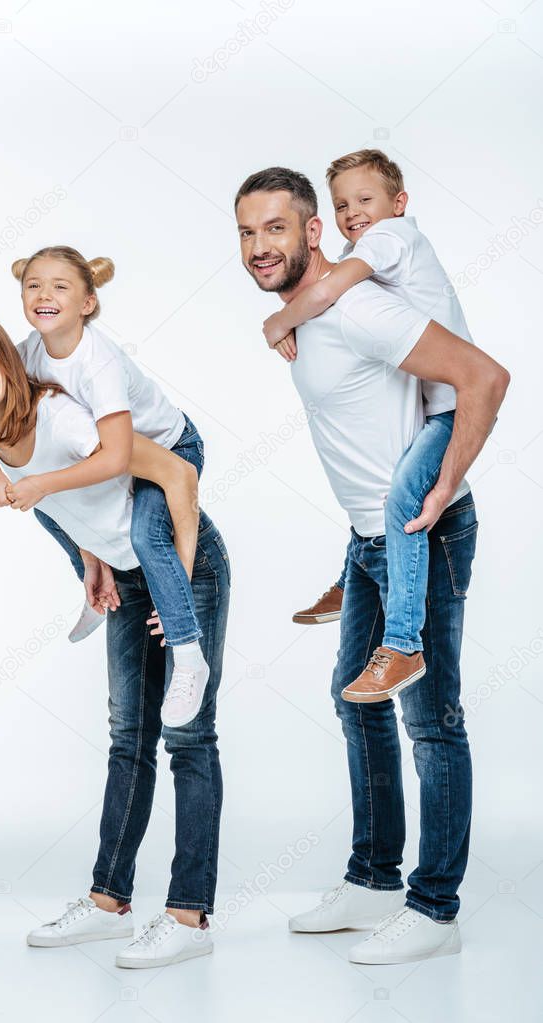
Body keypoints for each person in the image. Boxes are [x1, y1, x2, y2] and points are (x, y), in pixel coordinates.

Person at [235, 167, 509, 964]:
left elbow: (483, 377)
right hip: (364, 541)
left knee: (430, 720)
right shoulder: (304, 314)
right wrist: (282, 318)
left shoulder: (356, 304)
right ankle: (371, 881)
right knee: (353, 703)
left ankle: (433, 909)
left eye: (275, 229)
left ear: (314, 232)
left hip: (420, 535)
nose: (259, 247)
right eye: (248, 233)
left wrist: (449, 477)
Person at [0, 303, 231, 970]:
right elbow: (45, 501)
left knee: (187, 735)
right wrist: (88, 559)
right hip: (123, 573)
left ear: (8, 355)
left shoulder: (61, 414)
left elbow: (178, 475)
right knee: (127, 737)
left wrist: (180, 603)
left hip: (182, 557)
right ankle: (110, 901)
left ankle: (188, 915)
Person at [259, 149, 477, 704]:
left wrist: (280, 317)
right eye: (342, 205)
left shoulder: (391, 238)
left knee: (402, 497)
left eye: (365, 200)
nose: (353, 213)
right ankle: (355, 574)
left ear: (398, 204)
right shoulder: (371, 247)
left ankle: (403, 643)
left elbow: (333, 288)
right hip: (433, 405)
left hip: (450, 407)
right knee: (376, 476)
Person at [0, 246, 210, 727]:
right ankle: (95, 579)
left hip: (168, 451)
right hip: (108, 453)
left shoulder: (98, 363)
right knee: (42, 505)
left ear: (87, 303)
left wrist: (174, 584)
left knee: (142, 532)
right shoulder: (25, 353)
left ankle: (188, 655)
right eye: (33, 285)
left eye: (60, 286)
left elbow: (118, 457)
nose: (43, 294)